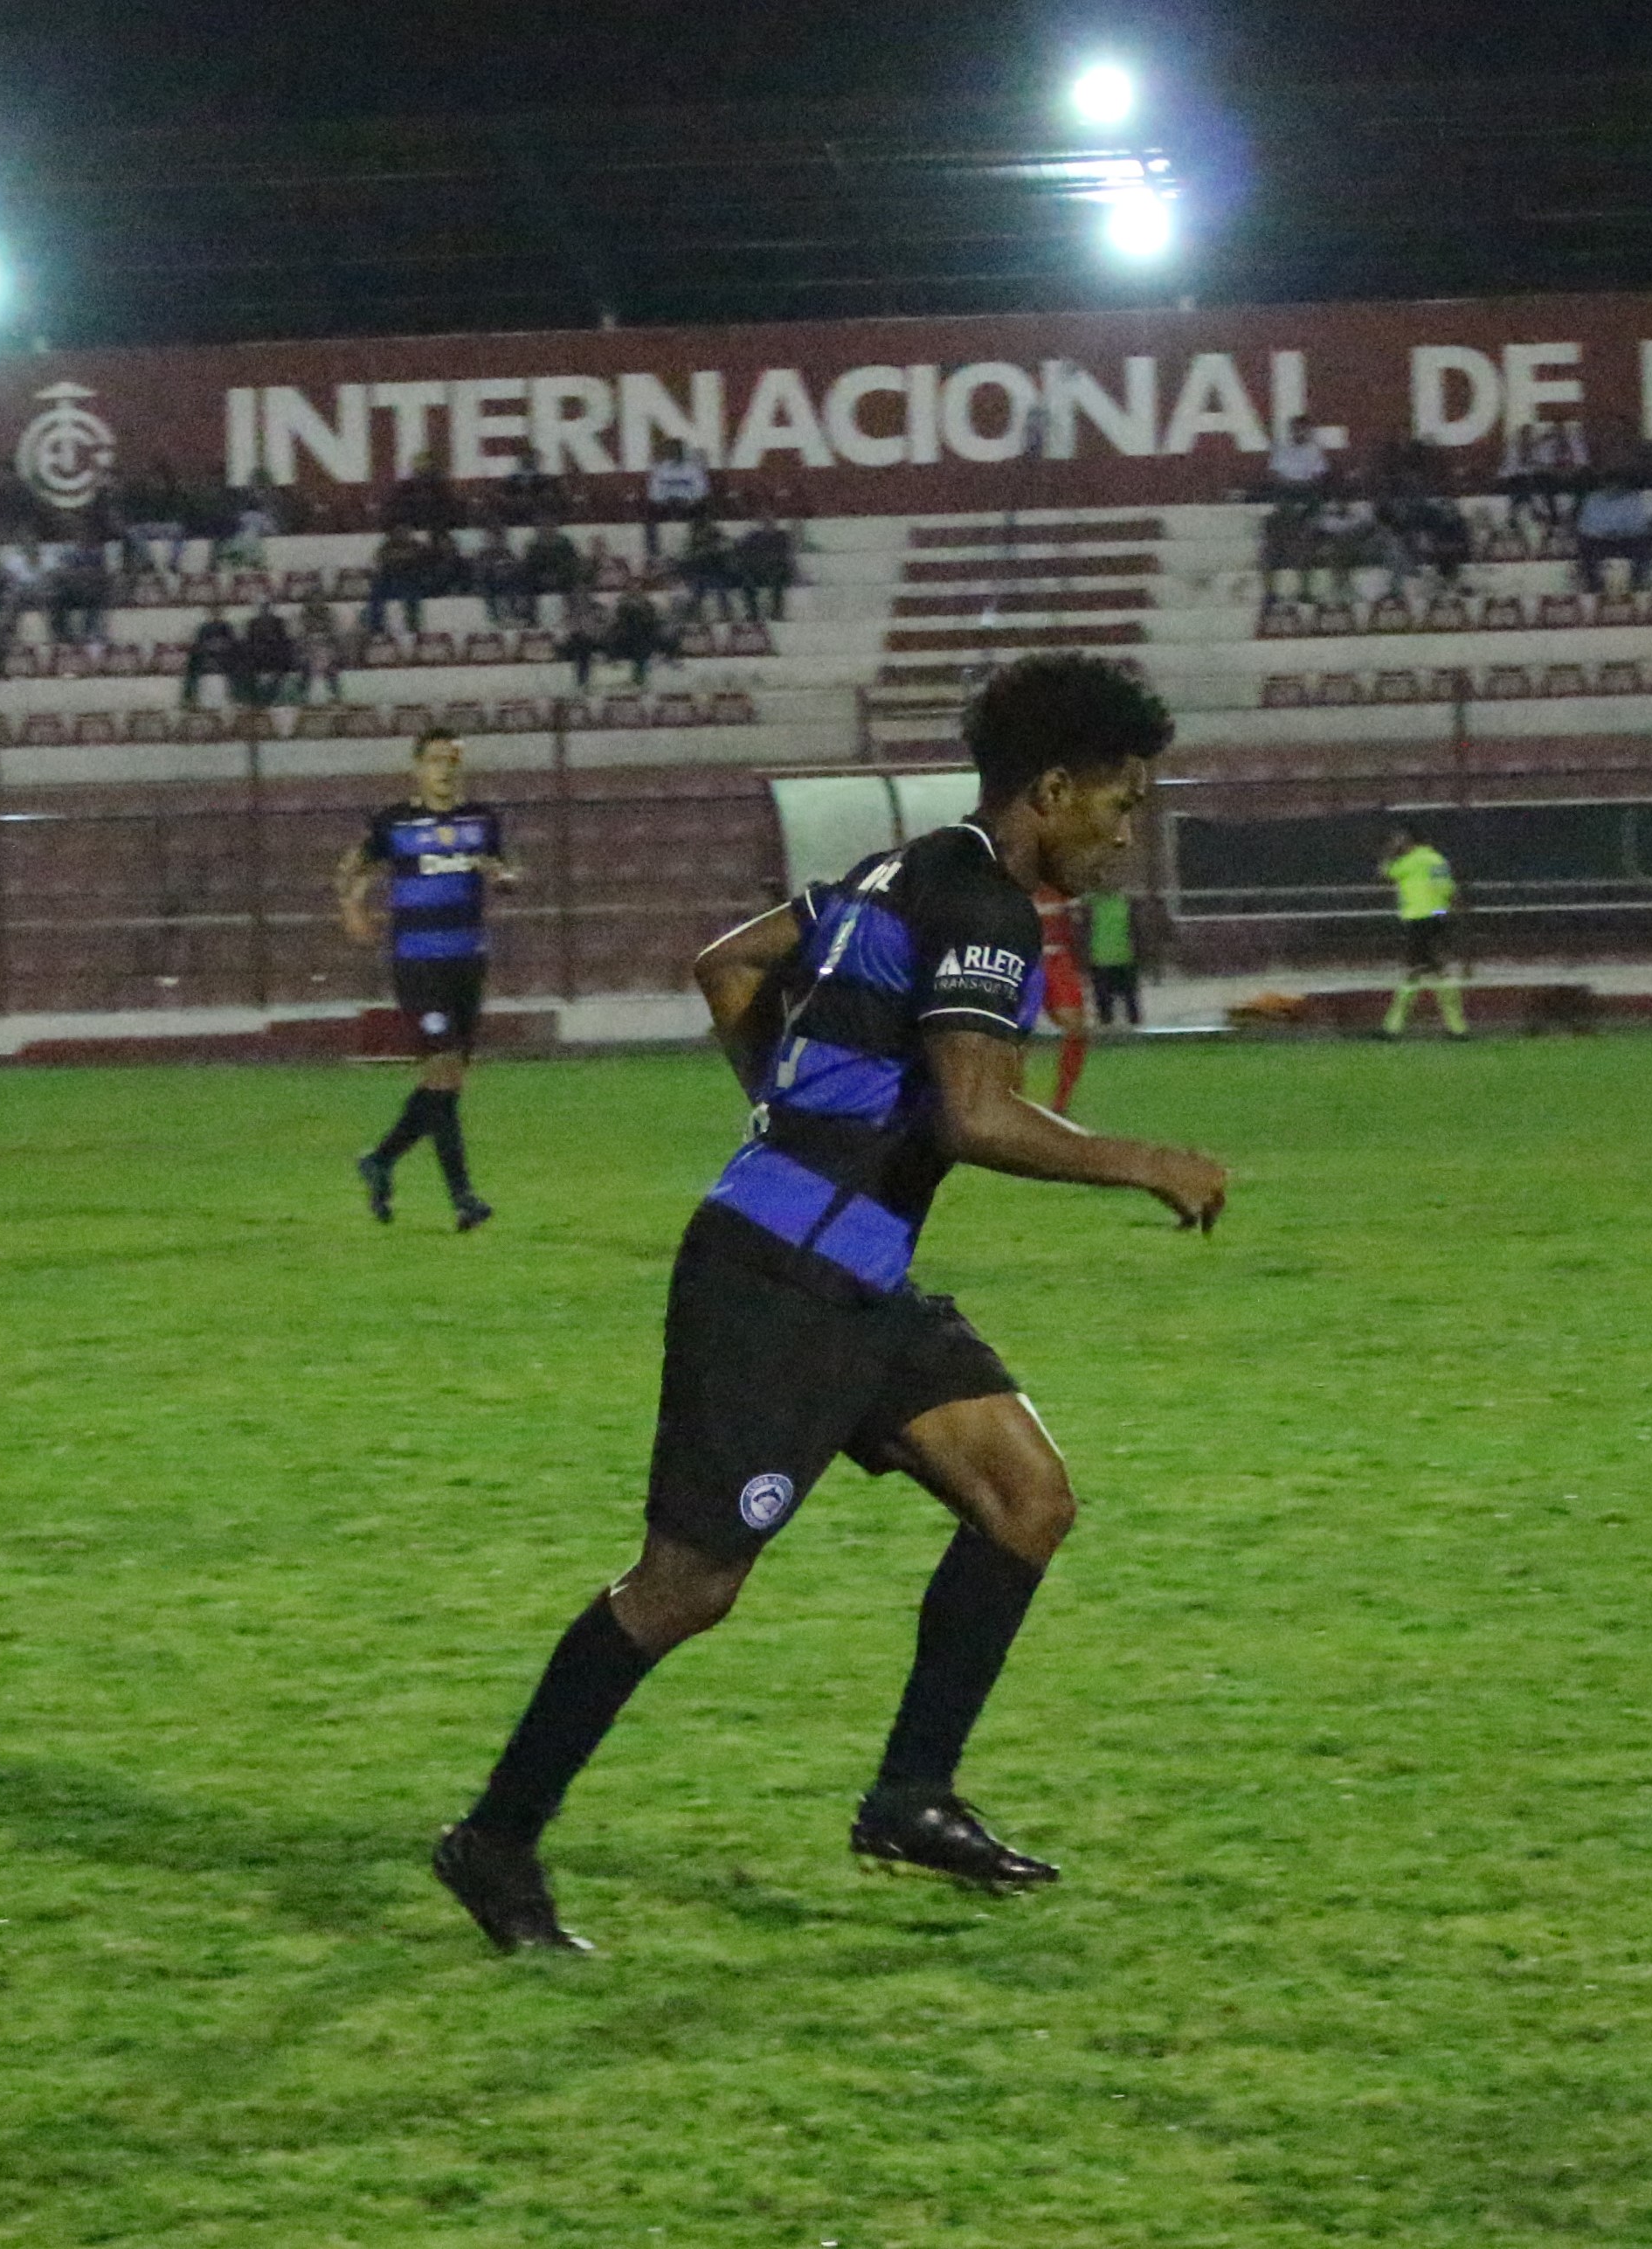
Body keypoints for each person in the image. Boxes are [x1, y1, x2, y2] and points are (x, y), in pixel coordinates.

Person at [427, 653, 1225, 1951]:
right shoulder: (986, 907)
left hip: (850, 1273)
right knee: (687, 1586)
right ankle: (494, 1838)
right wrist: (1147, 1161)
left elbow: (727, 965)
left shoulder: (897, 871)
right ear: (1052, 789)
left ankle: (911, 1798)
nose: (1126, 833)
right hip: (777, 1286)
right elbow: (972, 1115)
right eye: (1119, 803)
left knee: (1026, 1499)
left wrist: (790, 1109)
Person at [336, 730, 516, 1231]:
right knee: (442, 1071)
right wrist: (353, 907)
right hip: (417, 965)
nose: (445, 769)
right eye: (435, 760)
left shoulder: (480, 820)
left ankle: (381, 1161)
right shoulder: (395, 823)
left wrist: (504, 879)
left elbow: (506, 869)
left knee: (447, 1083)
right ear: (418, 768)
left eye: (452, 760)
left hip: (468, 962)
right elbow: (354, 867)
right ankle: (463, 1198)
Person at [1377, 823, 1466, 1040]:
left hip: (1416, 921)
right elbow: (1447, 888)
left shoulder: (1408, 862)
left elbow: (1385, 872)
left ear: (1408, 840)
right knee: (1437, 968)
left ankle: (1393, 1028)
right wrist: (1442, 911)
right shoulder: (1437, 860)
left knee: (1415, 970)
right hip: (1436, 917)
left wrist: (1390, 851)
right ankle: (1457, 1028)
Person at [1033, 889, 1091, 1114]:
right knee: (1010, 1034)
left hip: (1058, 960)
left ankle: (1060, 1103)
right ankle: (1009, 1100)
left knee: (1076, 1028)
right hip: (1022, 959)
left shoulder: (1060, 886)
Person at [1084, 886, 1142, 1028]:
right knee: (1125, 999)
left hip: (1109, 957)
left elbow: (1135, 929)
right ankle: (1129, 1026)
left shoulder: (1092, 904)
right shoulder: (1124, 902)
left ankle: (1112, 1024)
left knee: (1114, 1001)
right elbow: (1136, 930)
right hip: (1114, 957)